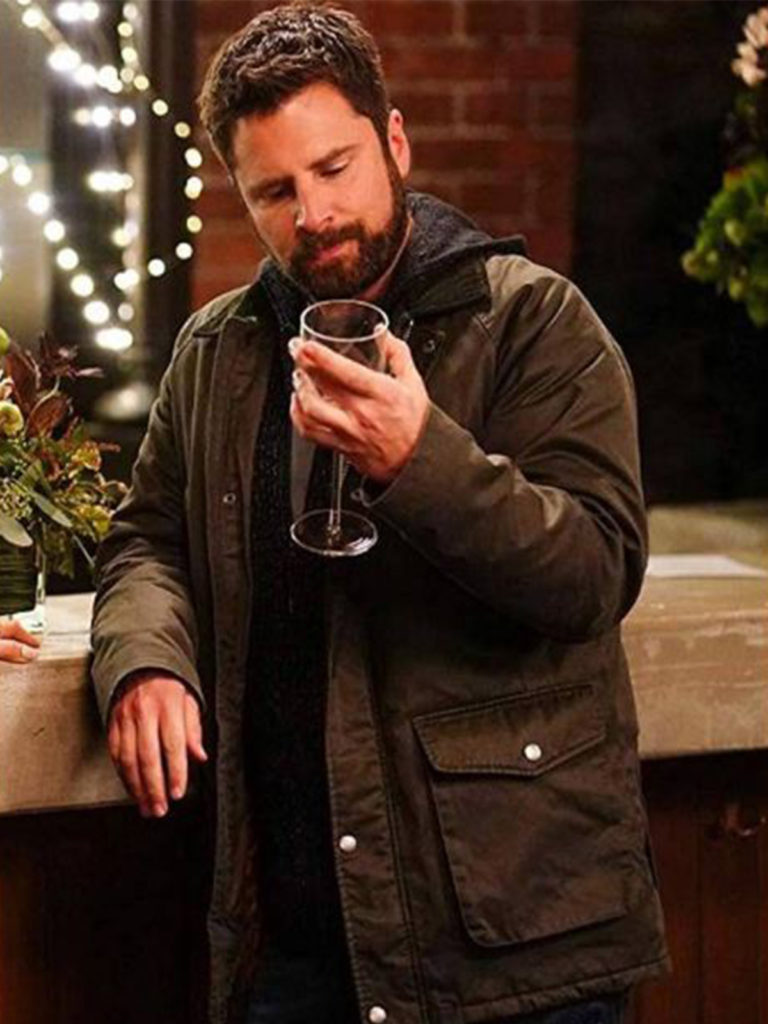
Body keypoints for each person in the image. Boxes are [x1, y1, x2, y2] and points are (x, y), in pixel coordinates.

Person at [91, 4, 669, 1024]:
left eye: (335, 167)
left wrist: (419, 457)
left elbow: (593, 572)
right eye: (275, 190)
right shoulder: (216, 351)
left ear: (394, 142)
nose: (313, 214)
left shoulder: (534, 319)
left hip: (514, 944)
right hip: (288, 939)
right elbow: (149, 542)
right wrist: (144, 661)